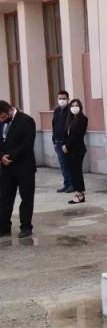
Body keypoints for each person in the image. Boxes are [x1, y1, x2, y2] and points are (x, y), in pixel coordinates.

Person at [0, 101, 37, 238]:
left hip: (24, 166)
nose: (1, 120)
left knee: (26, 197)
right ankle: (3, 227)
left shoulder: (26, 121)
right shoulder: (1, 121)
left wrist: (10, 156)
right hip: (6, 167)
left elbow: (27, 144)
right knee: (5, 198)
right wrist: (1, 157)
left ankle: (26, 227)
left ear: (10, 110)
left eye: (3, 117)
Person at [63, 99, 88, 204]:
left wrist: (67, 145)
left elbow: (77, 135)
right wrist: (64, 144)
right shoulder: (70, 119)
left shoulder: (83, 119)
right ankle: (79, 193)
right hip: (69, 149)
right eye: (72, 105)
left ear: (80, 107)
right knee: (73, 171)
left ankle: (80, 194)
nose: (74, 107)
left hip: (77, 149)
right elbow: (66, 134)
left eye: (77, 105)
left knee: (77, 172)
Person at [52, 90, 73, 193]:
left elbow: (71, 127)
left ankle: (73, 185)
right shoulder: (57, 111)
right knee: (63, 165)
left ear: (68, 99)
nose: (61, 100)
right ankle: (66, 184)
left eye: (64, 98)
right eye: (60, 98)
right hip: (58, 141)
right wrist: (54, 139)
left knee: (69, 164)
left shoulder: (70, 111)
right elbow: (54, 125)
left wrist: (67, 143)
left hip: (66, 143)